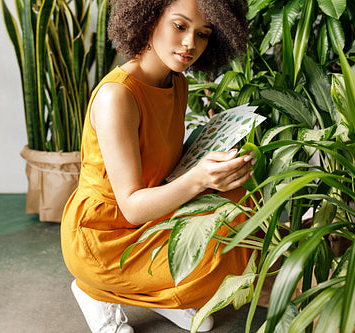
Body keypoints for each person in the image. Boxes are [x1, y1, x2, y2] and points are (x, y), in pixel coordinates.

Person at [60, 0, 255, 332]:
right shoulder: (117, 97)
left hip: (154, 215)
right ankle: (95, 290)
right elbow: (132, 208)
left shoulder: (175, 80)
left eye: (203, 33)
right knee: (217, 250)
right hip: (104, 236)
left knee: (243, 206)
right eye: (179, 26)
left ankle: (157, 291)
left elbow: (166, 164)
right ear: (148, 19)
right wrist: (199, 178)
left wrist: (218, 161)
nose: (190, 44)